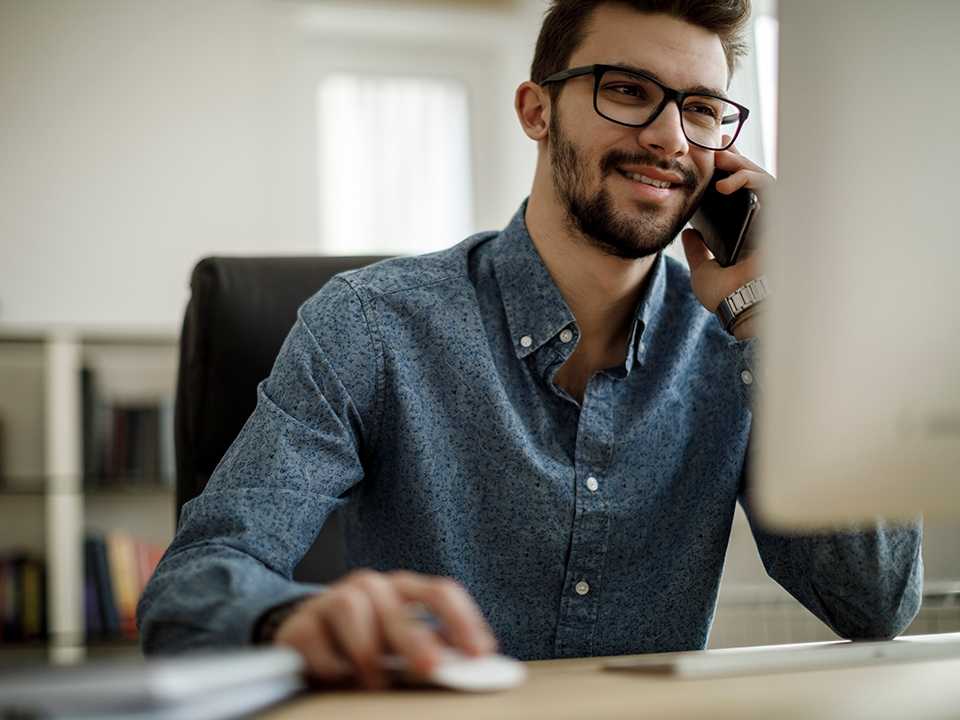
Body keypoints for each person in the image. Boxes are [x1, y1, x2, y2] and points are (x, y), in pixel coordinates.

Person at [138, 0, 922, 689]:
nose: (668, 138)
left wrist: (766, 320)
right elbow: (191, 586)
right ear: (535, 111)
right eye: (627, 91)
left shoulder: (735, 349)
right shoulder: (371, 325)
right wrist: (292, 622)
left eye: (703, 110)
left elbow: (877, 602)